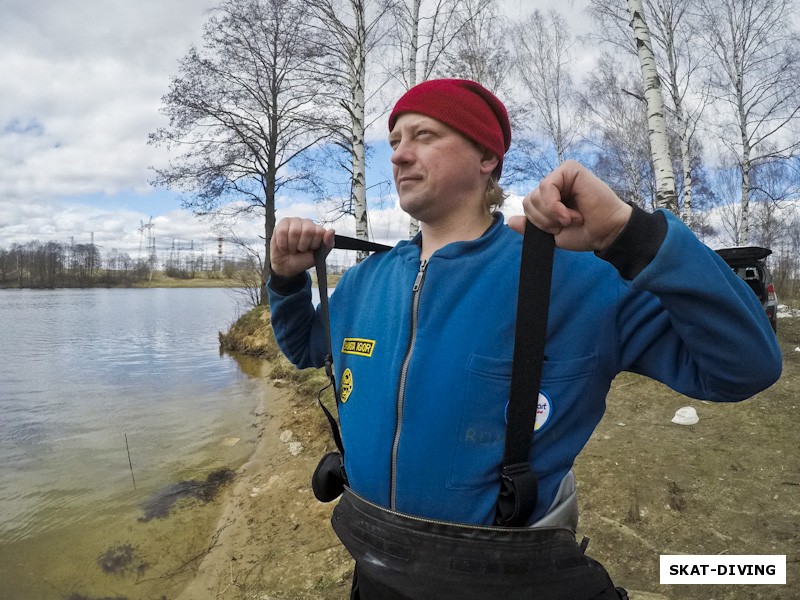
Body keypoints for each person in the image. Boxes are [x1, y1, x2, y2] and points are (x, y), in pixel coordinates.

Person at [267, 79, 782, 599]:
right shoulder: (364, 281)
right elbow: (306, 349)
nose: (399, 155)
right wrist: (288, 283)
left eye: (423, 135)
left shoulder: (574, 276)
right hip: (375, 570)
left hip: (514, 581)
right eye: (395, 140)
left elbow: (745, 367)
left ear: (487, 156)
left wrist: (629, 236)